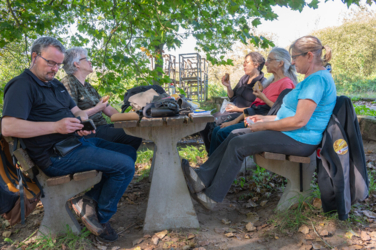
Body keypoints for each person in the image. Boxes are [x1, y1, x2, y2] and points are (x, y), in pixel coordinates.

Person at [1, 37, 136, 242]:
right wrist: (56, 126)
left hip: (76, 143)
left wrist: (81, 124)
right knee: (125, 166)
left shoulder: (55, 84)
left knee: (129, 152)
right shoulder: (21, 85)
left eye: (58, 64)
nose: (55, 68)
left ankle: (89, 201)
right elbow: (7, 127)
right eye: (50, 62)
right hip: (55, 156)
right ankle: (100, 217)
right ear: (34, 56)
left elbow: (77, 111)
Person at [182, 35, 337, 210]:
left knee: (239, 143)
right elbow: (289, 115)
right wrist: (264, 118)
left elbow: (299, 121)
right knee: (234, 136)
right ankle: (201, 178)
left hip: (300, 139)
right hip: (291, 133)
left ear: (309, 56)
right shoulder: (310, 79)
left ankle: (212, 197)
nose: (292, 62)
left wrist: (263, 125)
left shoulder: (317, 80)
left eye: (294, 57)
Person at [208, 47, 297, 155]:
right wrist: (233, 121)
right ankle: (212, 164)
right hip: (252, 116)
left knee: (222, 133)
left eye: (270, 60)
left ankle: (215, 167)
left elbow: (282, 111)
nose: (266, 64)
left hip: (265, 121)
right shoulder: (269, 83)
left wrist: (263, 97)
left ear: (280, 63)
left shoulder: (286, 83)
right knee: (217, 130)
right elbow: (253, 109)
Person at [61, 47, 142, 150]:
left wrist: (126, 118)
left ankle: (119, 162)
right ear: (76, 64)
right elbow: (71, 114)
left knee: (134, 131)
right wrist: (97, 108)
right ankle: (116, 163)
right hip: (90, 131)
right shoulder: (69, 82)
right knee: (133, 135)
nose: (90, 62)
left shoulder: (88, 86)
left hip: (103, 127)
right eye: (86, 59)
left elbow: (106, 108)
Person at [200, 52, 266, 152]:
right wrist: (228, 86)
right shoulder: (244, 78)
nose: (244, 65)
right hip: (231, 111)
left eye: (247, 62)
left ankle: (215, 156)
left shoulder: (262, 83)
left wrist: (237, 109)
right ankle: (211, 153)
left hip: (241, 114)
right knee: (205, 122)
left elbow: (257, 108)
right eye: (244, 62)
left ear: (256, 65)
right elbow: (232, 95)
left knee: (215, 125)